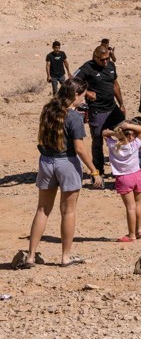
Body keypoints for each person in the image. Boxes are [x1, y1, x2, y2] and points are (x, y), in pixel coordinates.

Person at [14, 80, 96, 268]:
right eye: (82, 95)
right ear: (76, 95)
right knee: (68, 211)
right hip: (66, 162)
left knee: (42, 209)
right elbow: (80, 149)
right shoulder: (74, 117)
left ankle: (31, 256)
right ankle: (65, 257)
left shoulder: (48, 110)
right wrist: (94, 171)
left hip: (46, 162)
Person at [76, 44, 125, 182]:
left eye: (107, 59)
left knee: (124, 135)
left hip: (113, 108)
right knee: (97, 140)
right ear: (95, 57)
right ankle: (98, 171)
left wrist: (121, 104)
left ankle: (122, 168)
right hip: (97, 110)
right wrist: (86, 92)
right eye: (102, 59)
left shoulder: (110, 66)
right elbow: (71, 82)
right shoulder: (87, 68)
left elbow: (115, 85)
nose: (105, 62)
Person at [102, 120, 141, 243]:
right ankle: (139, 229)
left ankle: (131, 235)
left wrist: (116, 132)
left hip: (124, 177)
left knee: (130, 207)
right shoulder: (134, 145)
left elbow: (104, 133)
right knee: (138, 204)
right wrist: (128, 126)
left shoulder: (113, 146)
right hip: (137, 175)